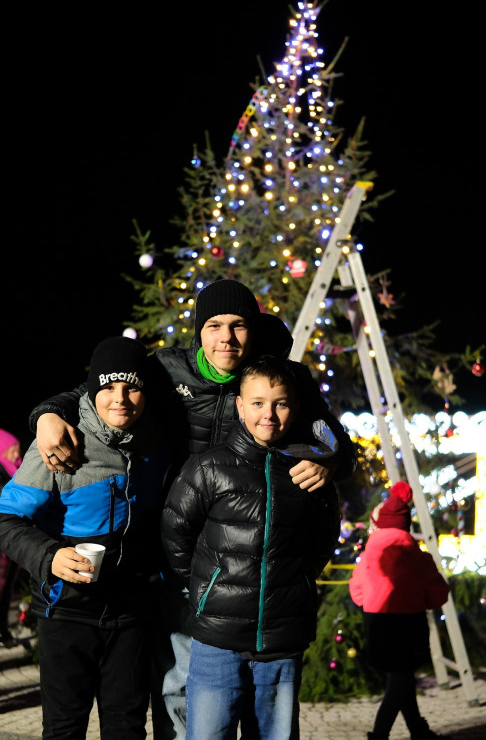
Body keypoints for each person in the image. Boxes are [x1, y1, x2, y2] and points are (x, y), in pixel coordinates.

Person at [27, 278, 358, 739]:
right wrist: (46, 415)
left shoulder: (278, 377)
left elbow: (335, 439)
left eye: (238, 325)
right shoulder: (167, 370)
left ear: (253, 329)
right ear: (199, 331)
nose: (227, 338)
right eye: (214, 325)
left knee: (252, 700)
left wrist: (331, 460)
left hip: (249, 557)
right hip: (175, 549)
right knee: (179, 682)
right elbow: (100, 389)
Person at [0, 336, 172, 740]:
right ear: (92, 390)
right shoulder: (59, 442)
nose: (120, 399)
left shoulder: (159, 440)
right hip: (66, 613)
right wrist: (50, 556)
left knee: (127, 727)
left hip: (131, 614)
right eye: (108, 388)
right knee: (64, 729)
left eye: (131, 387)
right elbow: (6, 519)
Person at [161, 356, 341, 740]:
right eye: (257, 403)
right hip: (217, 640)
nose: (268, 415)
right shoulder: (209, 467)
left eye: (280, 404)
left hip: (281, 640)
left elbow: (323, 541)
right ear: (241, 406)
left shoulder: (309, 474)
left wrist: (294, 583)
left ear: (295, 407)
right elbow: (176, 532)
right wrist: (207, 589)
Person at [348, 480, 451, 740]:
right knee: (401, 682)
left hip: (378, 624)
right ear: (406, 524)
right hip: (409, 625)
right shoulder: (418, 556)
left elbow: (357, 592)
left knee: (401, 680)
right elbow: (438, 593)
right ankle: (379, 735)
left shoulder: (368, 556)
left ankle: (419, 731)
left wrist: (373, 600)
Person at [0, 428, 23, 647]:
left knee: (7, 589)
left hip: (12, 541)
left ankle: (3, 631)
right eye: (12, 450)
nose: (17, 455)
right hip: (3, 538)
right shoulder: (2, 471)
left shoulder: (16, 470)